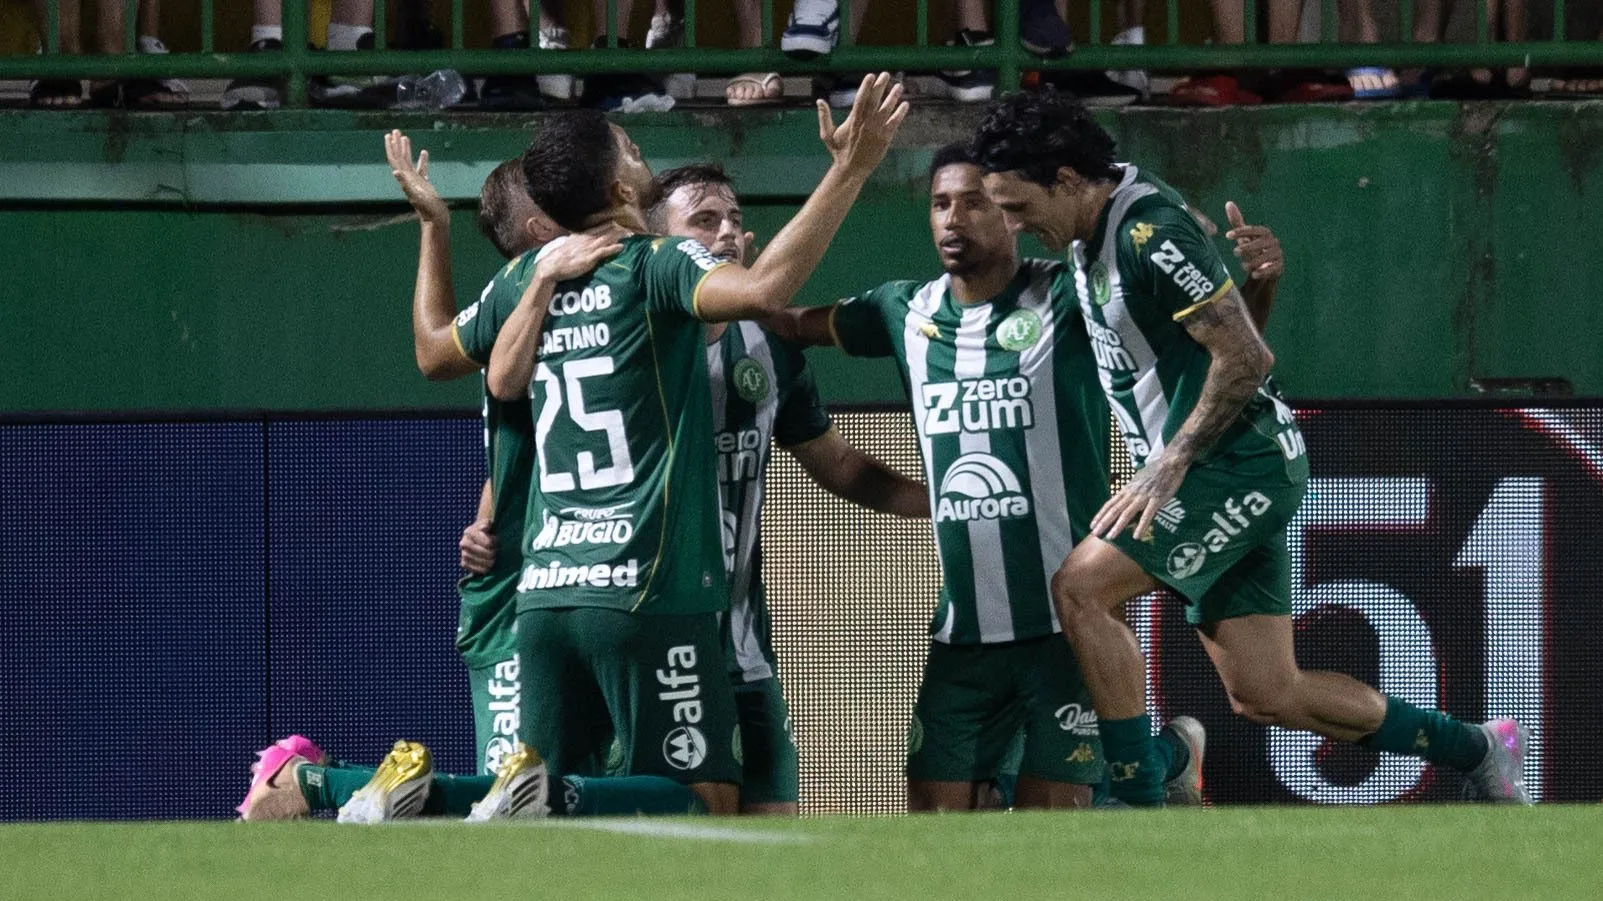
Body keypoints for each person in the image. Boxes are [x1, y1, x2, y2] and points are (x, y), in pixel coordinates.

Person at [969, 90, 1531, 807]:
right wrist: (1254, 288)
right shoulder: (1095, 228)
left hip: (1235, 466)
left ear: (1069, 179)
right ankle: (1478, 748)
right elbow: (1227, 340)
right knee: (1269, 693)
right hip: (1220, 466)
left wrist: (1169, 461)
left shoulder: (1149, 233)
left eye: (1018, 207)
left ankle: (1137, 797)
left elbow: (1245, 357)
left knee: (1080, 588)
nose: (1013, 226)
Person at [456, 75, 908, 819]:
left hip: (544, 593)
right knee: (698, 812)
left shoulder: (522, 278)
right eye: (631, 147)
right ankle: (346, 784)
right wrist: (851, 168)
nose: (641, 153)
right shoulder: (656, 264)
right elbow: (762, 289)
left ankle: (416, 796)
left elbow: (477, 372)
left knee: (543, 813)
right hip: (647, 586)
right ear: (615, 183)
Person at [766, 144, 1251, 811]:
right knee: (933, 832)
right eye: (939, 203)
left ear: (1012, 213)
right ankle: (1158, 753)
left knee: (1048, 827)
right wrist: (709, 312)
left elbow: (1204, 343)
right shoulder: (899, 310)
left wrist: (1255, 283)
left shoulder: (1068, 293)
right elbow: (788, 325)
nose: (952, 218)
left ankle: (1161, 755)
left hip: (1064, 624)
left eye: (972, 201)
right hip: (962, 636)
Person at [647, 163, 931, 814]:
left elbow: (836, 464)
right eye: (702, 221)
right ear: (656, 246)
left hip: (745, 647)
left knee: (774, 833)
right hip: (656, 642)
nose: (725, 234)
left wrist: (943, 503)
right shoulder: (632, 339)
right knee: (690, 837)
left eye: (734, 220)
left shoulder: (768, 347)